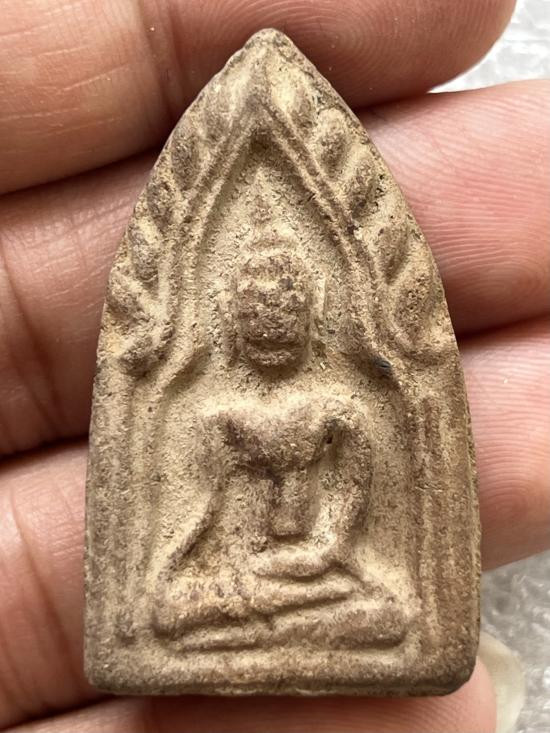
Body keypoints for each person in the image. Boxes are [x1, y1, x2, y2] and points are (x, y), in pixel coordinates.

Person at [0, 0, 548, 731]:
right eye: (254, 317)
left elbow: (334, 538)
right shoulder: (214, 417)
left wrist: (312, 561)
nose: (269, 328)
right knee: (166, 610)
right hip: (236, 581)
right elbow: (195, 526)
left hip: (320, 581)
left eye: (283, 316)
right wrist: (190, 579)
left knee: (391, 611)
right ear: (229, 322)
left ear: (313, 315)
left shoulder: (341, 413)